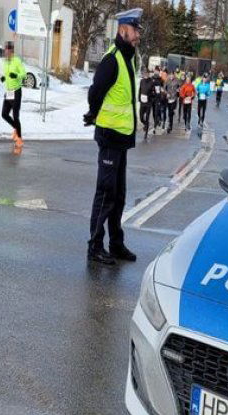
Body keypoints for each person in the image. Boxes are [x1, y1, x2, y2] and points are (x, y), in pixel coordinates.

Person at [82, 8, 141, 266]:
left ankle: (116, 244)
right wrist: (94, 114)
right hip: (109, 135)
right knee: (106, 192)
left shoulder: (128, 58)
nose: (138, 35)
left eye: (139, 30)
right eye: (135, 30)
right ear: (123, 30)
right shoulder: (113, 58)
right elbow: (95, 92)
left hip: (122, 137)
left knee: (118, 195)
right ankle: (95, 245)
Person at [0, 41, 26, 149]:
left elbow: (23, 74)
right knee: (4, 114)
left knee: (15, 116)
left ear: (11, 51)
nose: (6, 52)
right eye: (5, 50)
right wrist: (4, 78)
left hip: (16, 91)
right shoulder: (5, 62)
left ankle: (19, 139)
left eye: (7, 50)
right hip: (9, 91)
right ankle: (16, 128)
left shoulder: (17, 61)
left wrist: (16, 75)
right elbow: (7, 74)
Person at [138, 68, 154, 140]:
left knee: (147, 117)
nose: (145, 74)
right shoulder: (141, 81)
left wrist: (150, 98)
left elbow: (154, 93)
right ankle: (145, 124)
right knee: (141, 117)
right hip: (142, 102)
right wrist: (139, 98)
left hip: (148, 103)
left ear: (148, 74)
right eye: (144, 73)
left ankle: (146, 133)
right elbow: (140, 90)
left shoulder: (151, 82)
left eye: (147, 73)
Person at [151, 67, 164, 132]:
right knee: (153, 112)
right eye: (155, 71)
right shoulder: (151, 78)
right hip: (152, 97)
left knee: (157, 111)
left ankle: (155, 125)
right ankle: (157, 120)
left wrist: (162, 93)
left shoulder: (161, 79)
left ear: (159, 72)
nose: (156, 72)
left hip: (158, 97)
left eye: (157, 71)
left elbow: (162, 87)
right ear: (154, 71)